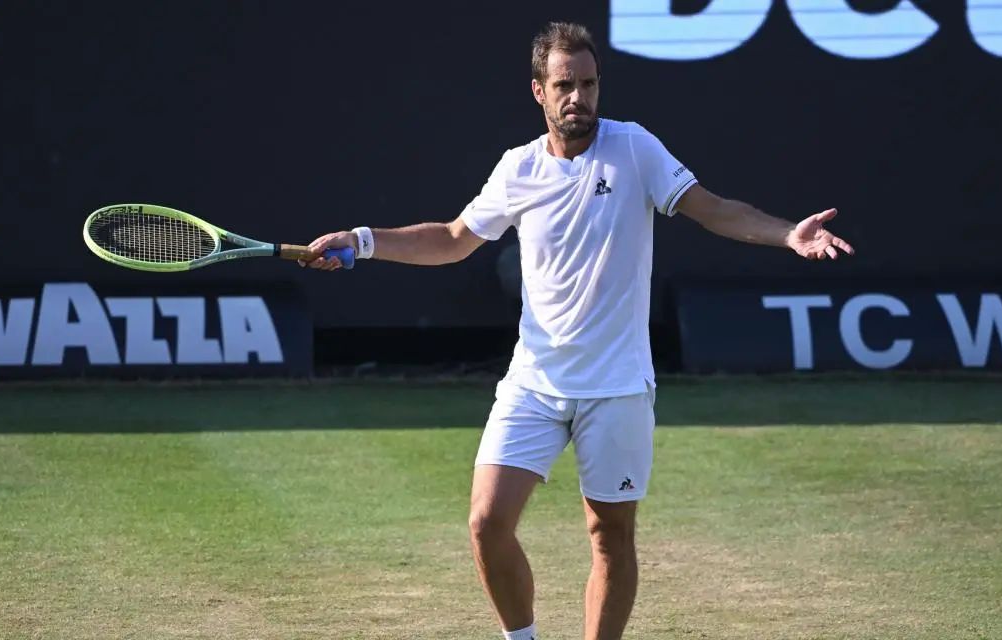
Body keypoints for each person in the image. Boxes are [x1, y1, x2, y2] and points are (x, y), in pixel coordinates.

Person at [302, 21, 854, 640]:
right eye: (565, 85)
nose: (579, 98)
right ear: (538, 91)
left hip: (616, 387)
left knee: (610, 536)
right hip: (534, 383)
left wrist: (786, 233)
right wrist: (365, 241)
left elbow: (712, 208)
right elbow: (454, 240)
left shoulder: (636, 148)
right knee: (487, 523)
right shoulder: (517, 170)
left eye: (589, 84)